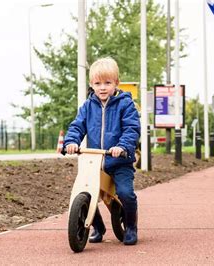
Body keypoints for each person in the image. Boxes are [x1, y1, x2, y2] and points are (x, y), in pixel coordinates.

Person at [64, 57, 141, 245]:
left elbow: (131, 129)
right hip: (94, 161)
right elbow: (77, 126)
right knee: (84, 190)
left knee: (125, 192)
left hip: (119, 161)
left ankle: (131, 226)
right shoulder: (88, 107)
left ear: (116, 83)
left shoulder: (125, 105)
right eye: (98, 83)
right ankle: (97, 227)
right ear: (91, 85)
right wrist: (72, 141)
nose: (102, 88)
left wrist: (122, 146)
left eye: (107, 83)